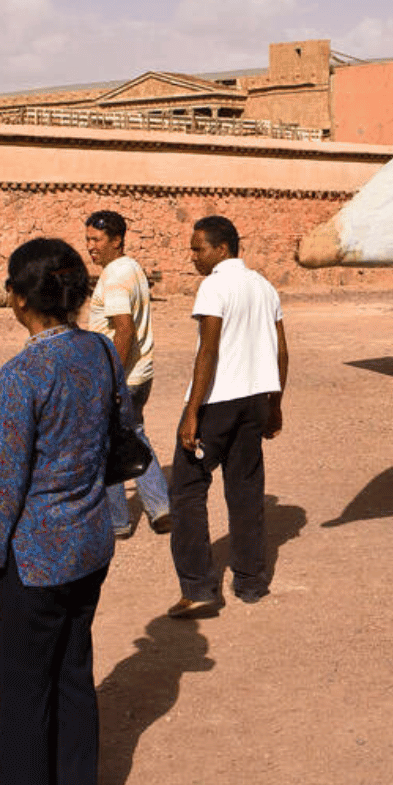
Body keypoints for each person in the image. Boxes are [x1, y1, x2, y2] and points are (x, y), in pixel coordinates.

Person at [0, 237, 120, 785]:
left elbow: (6, 483)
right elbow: (124, 433)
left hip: (35, 558)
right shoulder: (101, 351)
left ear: (21, 296)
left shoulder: (25, 373)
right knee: (73, 673)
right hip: (89, 545)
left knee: (24, 691)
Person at [169, 215, 287, 618]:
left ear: (222, 249)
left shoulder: (214, 285)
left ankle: (199, 588)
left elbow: (209, 350)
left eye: (198, 248)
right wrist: (274, 404)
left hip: (218, 401)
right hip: (255, 398)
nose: (193, 256)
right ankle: (251, 582)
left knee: (186, 489)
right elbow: (281, 351)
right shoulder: (264, 286)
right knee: (246, 489)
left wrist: (191, 412)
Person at [82, 210, 169, 539]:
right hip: (141, 374)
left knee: (107, 445)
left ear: (116, 240)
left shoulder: (115, 278)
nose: (91, 246)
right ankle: (160, 508)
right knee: (134, 434)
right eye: (88, 239)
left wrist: (111, 379)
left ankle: (118, 521)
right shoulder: (131, 268)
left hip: (123, 376)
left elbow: (123, 331)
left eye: (97, 240)